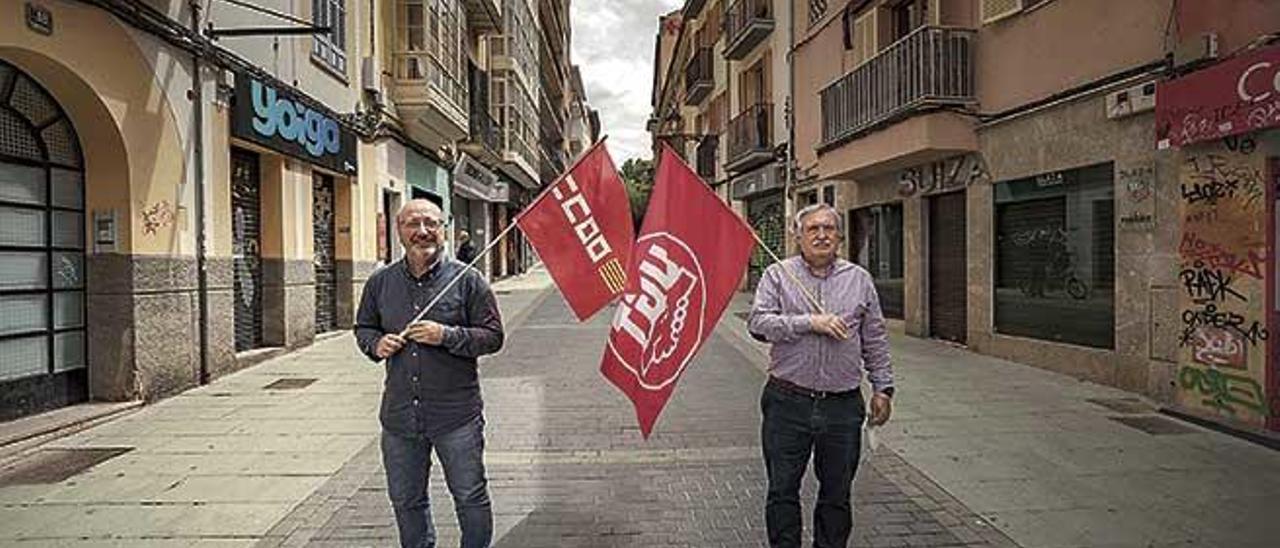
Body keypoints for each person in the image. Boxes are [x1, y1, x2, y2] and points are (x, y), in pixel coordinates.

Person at [354, 199, 505, 548]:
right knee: (406, 501)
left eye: (430, 223)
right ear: (399, 231)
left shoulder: (469, 281)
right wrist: (375, 345)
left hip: (457, 416)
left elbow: (494, 337)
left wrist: (447, 335)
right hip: (400, 417)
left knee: (470, 496)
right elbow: (364, 326)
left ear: (444, 230)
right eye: (412, 224)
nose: (422, 231)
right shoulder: (380, 282)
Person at [748, 202, 895, 548]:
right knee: (782, 490)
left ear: (840, 237)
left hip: (842, 406)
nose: (821, 235)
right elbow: (758, 323)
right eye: (813, 229)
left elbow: (874, 337)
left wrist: (883, 388)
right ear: (798, 236)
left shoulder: (859, 280)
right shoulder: (778, 275)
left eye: (829, 228)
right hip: (787, 402)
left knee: (837, 494)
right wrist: (809, 322)